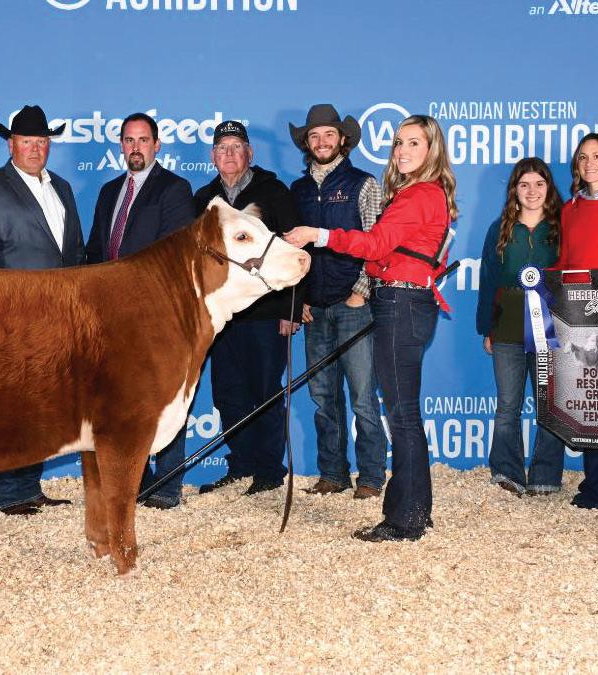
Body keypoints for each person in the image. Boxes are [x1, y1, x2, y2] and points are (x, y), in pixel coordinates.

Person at [285, 114, 457, 542]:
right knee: (404, 413)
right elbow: (389, 254)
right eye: (399, 142)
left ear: (432, 150)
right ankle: (414, 510)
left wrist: (319, 235)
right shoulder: (418, 193)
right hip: (401, 300)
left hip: (401, 305)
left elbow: (375, 244)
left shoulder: (420, 193)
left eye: (414, 143)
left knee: (402, 415)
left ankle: (405, 519)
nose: (402, 151)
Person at [0, 104, 84, 516]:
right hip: (11, 322)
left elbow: (74, 255)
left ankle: (29, 487)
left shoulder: (62, 188)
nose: (35, 148)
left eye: (42, 141)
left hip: (59, 321)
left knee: (44, 407)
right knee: (11, 408)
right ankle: (7, 492)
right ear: (10, 144)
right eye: (27, 141)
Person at [86, 112, 195, 510]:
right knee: (121, 401)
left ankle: (167, 485)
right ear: (121, 145)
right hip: (110, 315)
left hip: (156, 314)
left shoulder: (175, 189)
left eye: (143, 140)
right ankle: (136, 480)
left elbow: (172, 255)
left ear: (157, 145)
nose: (136, 147)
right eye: (129, 140)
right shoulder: (108, 191)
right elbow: (96, 251)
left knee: (164, 396)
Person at [193, 120, 301, 496]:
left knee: (265, 390)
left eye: (236, 147)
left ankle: (269, 471)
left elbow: (293, 250)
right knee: (227, 392)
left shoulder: (274, 193)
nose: (229, 154)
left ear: (249, 154)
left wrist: (291, 308)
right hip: (222, 315)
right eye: (222, 148)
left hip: (265, 312)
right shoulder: (204, 199)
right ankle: (241, 465)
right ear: (213, 156)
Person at [288, 104, 387, 500]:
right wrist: (299, 300)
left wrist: (361, 290)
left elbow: (376, 240)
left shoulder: (364, 184)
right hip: (315, 308)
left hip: (353, 305)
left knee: (363, 397)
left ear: (342, 139)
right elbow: (290, 252)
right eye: (314, 136)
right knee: (322, 397)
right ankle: (332, 473)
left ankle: (372, 477)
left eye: (328, 134)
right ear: (306, 143)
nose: (322, 141)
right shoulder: (297, 191)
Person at [477, 157, 564, 498]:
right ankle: (506, 472)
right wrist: (487, 328)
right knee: (507, 405)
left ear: (549, 189)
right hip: (507, 325)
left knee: (549, 406)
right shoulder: (499, 229)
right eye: (524, 184)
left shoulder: (560, 228)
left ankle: (545, 476)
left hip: (551, 327)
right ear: (514, 189)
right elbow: (487, 279)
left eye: (539, 184)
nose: (532, 191)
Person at [555, 132, 598, 510]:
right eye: (583, 157)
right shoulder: (569, 209)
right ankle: (597, 484)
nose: (589, 163)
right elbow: (566, 261)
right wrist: (544, 288)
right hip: (581, 315)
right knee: (592, 401)